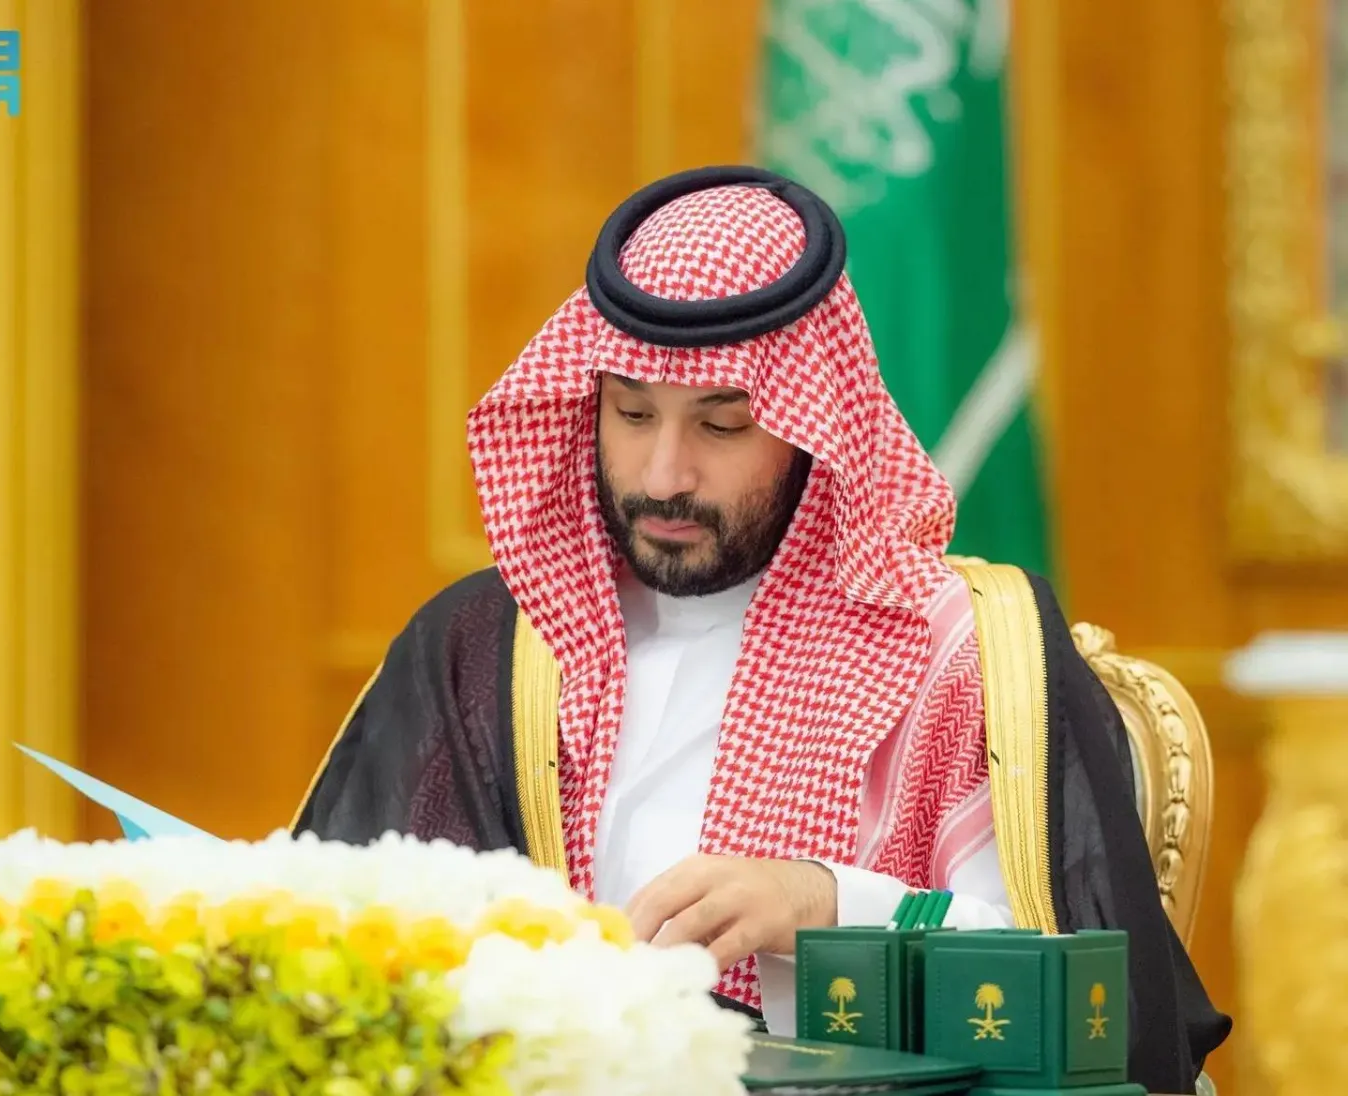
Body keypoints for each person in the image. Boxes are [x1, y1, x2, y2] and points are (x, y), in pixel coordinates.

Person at [291, 166, 1229, 1092]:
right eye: (630, 414)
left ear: (810, 430)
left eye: (722, 426)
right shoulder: (494, 643)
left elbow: (1076, 998)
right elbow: (338, 935)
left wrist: (822, 905)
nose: (662, 475)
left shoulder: (961, 650)